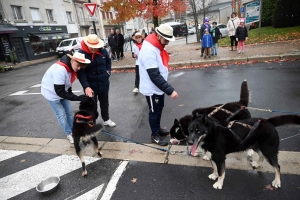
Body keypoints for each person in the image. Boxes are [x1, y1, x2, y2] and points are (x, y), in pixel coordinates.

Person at [138, 24, 179, 146]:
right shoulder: (149, 50)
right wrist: (170, 90)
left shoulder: (157, 46)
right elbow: (154, 75)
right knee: (154, 112)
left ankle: (157, 129)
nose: (167, 43)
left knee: (159, 108)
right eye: (166, 40)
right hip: (152, 89)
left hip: (159, 88)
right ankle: (154, 135)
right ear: (158, 36)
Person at [41, 52, 91, 144]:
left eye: (81, 66)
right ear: (72, 60)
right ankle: (69, 134)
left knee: (69, 112)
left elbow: (67, 84)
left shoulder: (70, 68)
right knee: (61, 115)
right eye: (78, 65)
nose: (79, 68)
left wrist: (72, 94)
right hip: (52, 93)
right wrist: (77, 98)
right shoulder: (60, 69)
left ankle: (74, 130)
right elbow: (60, 91)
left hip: (62, 91)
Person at [77, 34, 116, 127]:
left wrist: (108, 72)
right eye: (92, 47)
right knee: (91, 105)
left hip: (103, 81)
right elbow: (81, 72)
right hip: (90, 84)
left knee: (104, 103)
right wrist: (86, 86)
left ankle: (106, 119)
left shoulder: (103, 51)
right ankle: (92, 122)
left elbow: (108, 61)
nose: (94, 49)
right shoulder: (81, 53)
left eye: (96, 47)